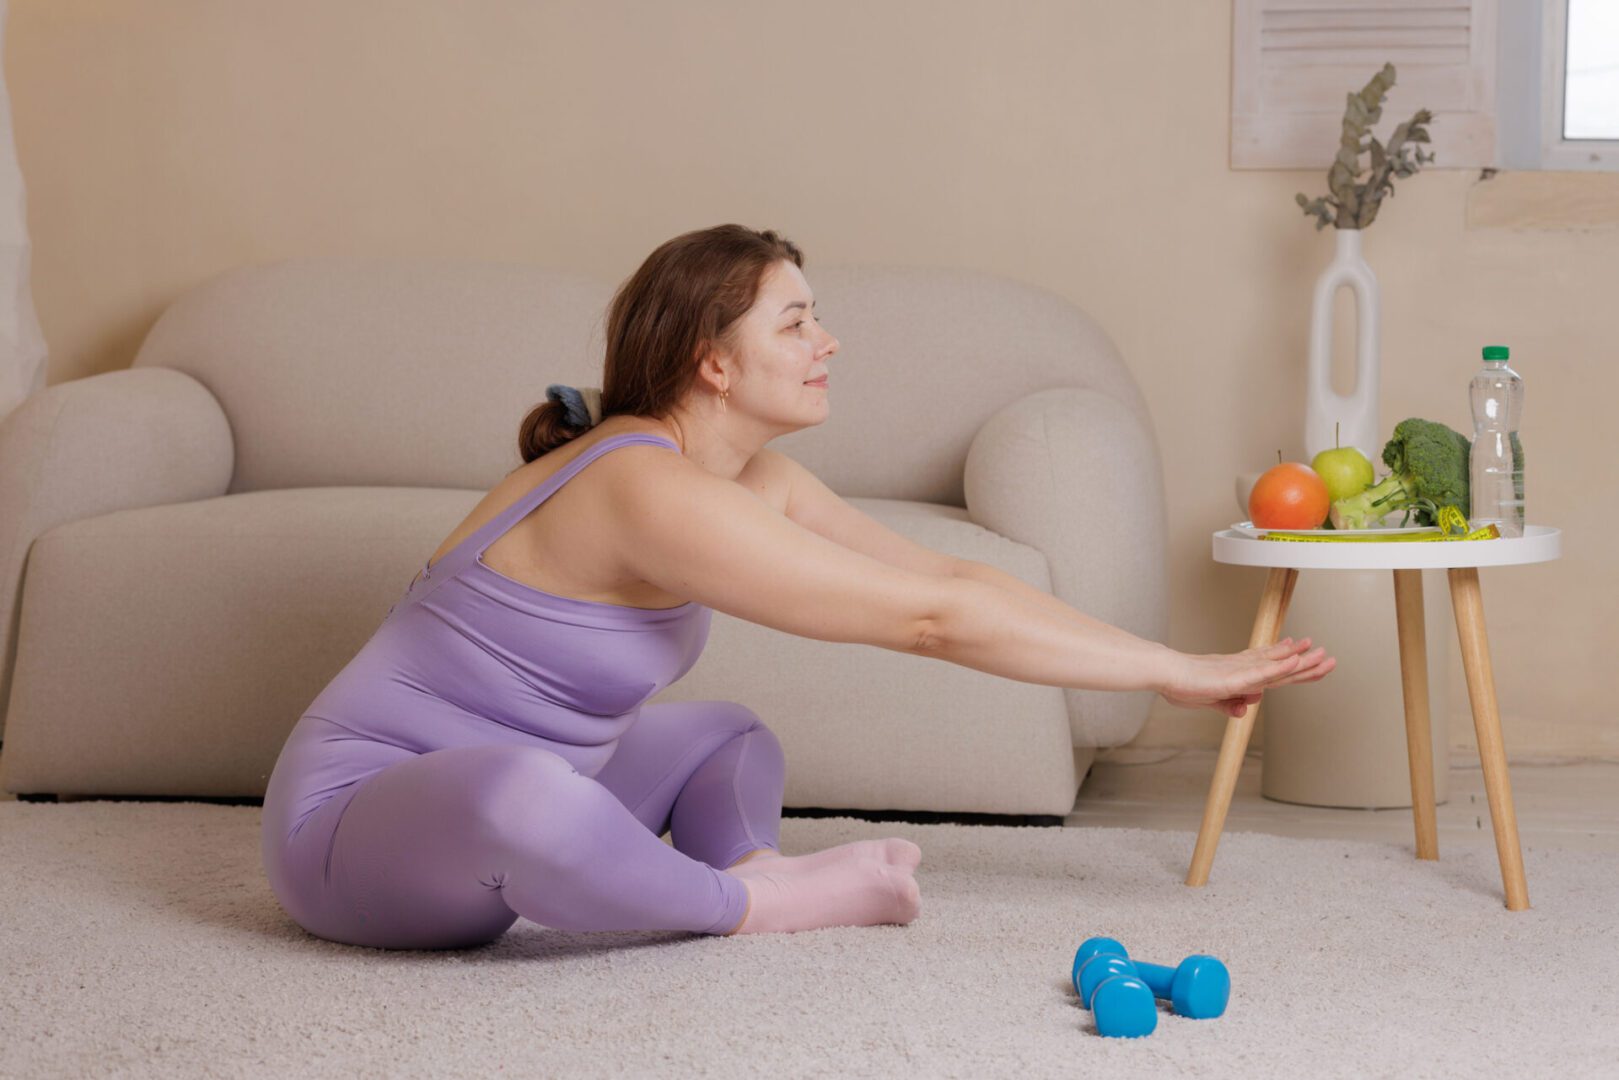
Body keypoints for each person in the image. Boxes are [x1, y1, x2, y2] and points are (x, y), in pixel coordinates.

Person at [260, 224, 1335, 949]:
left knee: (723, 735)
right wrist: (1173, 673)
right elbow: (925, 624)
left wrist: (1169, 665)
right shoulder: (642, 484)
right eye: (793, 323)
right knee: (521, 792)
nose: (827, 343)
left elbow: (949, 577)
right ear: (712, 364)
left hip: (526, 794)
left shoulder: (750, 476)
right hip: (354, 833)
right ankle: (757, 904)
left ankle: (724, 866)